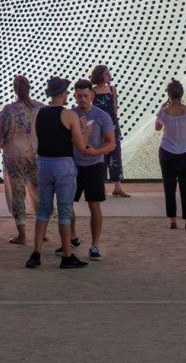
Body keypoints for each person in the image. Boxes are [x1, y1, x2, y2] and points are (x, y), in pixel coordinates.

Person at [26, 77, 88, 269]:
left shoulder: (39, 113)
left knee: (43, 210)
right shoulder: (69, 115)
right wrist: (86, 129)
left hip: (43, 164)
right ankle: (67, 256)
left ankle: (36, 253)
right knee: (65, 212)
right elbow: (80, 145)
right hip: (63, 165)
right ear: (62, 94)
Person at [70, 79, 115, 259]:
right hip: (73, 165)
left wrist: (96, 151)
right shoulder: (69, 115)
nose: (82, 99)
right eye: (79, 96)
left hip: (95, 164)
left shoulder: (102, 116)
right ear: (74, 96)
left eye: (85, 96)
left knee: (94, 205)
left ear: (92, 95)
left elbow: (111, 143)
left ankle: (94, 245)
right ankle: (72, 237)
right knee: (67, 204)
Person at [0, 75, 40, 245]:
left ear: (15, 89)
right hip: (34, 152)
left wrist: (0, 143)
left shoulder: (8, 109)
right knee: (38, 192)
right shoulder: (38, 107)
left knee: (17, 193)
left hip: (13, 153)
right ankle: (42, 231)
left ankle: (22, 235)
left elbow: (1, 131)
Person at [155, 79, 186, 230]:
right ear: (181, 93)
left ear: (169, 94)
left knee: (169, 186)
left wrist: (162, 108)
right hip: (185, 153)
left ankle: (172, 220)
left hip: (166, 151)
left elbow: (157, 128)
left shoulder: (163, 112)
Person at [89, 65, 130, 198]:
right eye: (106, 74)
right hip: (98, 128)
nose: (109, 75)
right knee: (100, 156)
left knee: (116, 154)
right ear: (100, 75)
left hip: (112, 126)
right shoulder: (92, 92)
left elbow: (115, 106)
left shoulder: (112, 89)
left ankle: (117, 187)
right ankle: (100, 186)